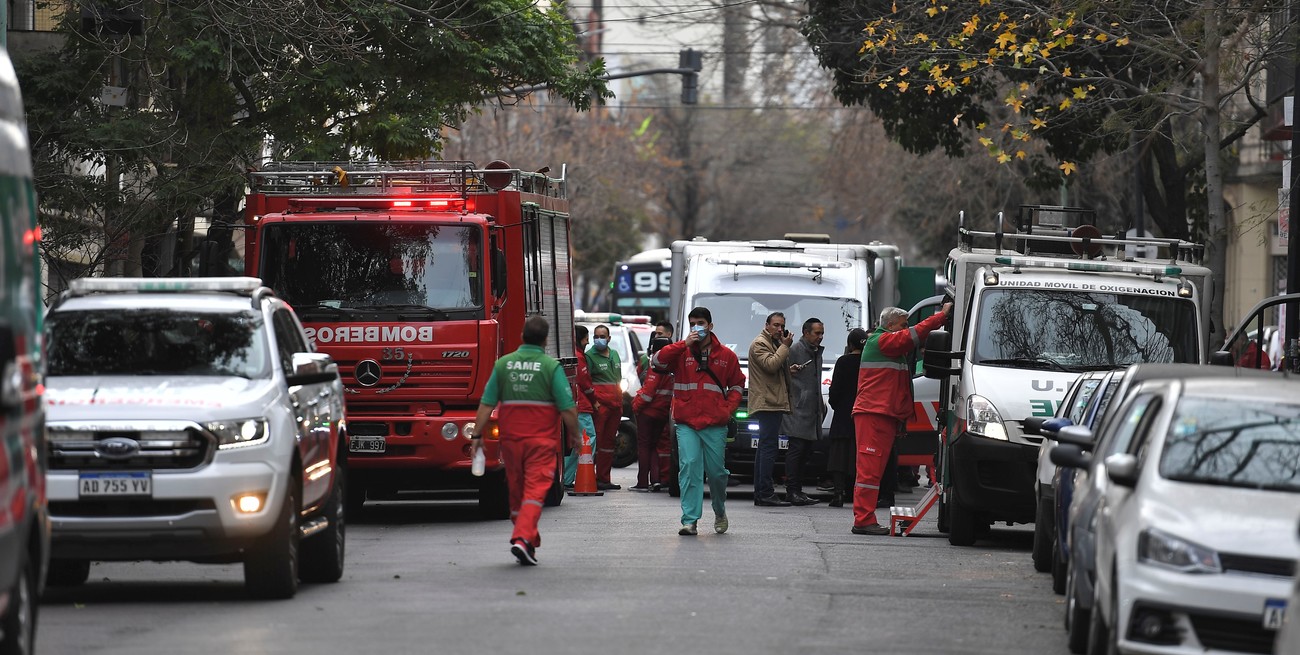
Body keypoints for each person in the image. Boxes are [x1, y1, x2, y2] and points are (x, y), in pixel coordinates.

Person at [469, 316, 581, 565]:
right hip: (541, 442)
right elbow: (567, 407)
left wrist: (476, 435)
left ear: (522, 336)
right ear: (545, 340)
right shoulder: (550, 367)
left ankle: (529, 541)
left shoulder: (503, 364)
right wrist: (575, 435)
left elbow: (487, 403)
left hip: (510, 442)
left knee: (517, 490)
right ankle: (521, 537)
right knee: (534, 491)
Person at [851, 303, 952, 535]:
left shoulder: (886, 345)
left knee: (872, 470)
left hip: (880, 414)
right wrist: (940, 317)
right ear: (889, 325)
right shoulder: (882, 341)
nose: (906, 329)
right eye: (903, 325)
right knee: (869, 471)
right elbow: (914, 335)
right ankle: (863, 520)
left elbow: (899, 388)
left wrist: (901, 420)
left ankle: (864, 518)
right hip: (874, 414)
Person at [651, 306, 744, 536]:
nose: (696, 327)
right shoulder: (681, 352)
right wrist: (683, 344)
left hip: (715, 423)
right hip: (687, 423)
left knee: (716, 473)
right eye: (692, 323)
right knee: (690, 467)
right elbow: (657, 361)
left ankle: (719, 510)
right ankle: (690, 520)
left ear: (710, 326)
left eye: (700, 323)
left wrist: (727, 409)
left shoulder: (726, 356)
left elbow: (737, 385)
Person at [747, 311, 793, 507]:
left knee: (765, 447)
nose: (780, 329)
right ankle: (765, 492)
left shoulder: (772, 343)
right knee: (768, 447)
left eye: (782, 326)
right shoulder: (760, 343)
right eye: (775, 325)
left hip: (771, 400)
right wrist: (785, 346)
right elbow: (771, 365)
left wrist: (789, 369)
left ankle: (761, 492)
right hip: (768, 402)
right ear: (766, 325)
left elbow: (773, 369)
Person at [782, 317, 826, 506]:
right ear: (806, 333)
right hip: (797, 409)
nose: (820, 337)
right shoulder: (794, 350)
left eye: (822, 333)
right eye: (817, 333)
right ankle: (792, 491)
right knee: (796, 450)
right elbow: (780, 373)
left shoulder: (816, 352)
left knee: (805, 452)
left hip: (811, 409)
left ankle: (797, 490)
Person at [826, 327, 867, 508]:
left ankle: (838, 493)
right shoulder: (868, 363)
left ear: (849, 345)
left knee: (839, 456)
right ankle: (854, 493)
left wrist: (837, 404)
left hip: (843, 414)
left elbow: (835, 390)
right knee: (856, 456)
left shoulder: (843, 362)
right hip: (862, 414)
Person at [631, 336, 673, 492]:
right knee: (654, 446)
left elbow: (648, 393)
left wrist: (635, 406)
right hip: (663, 412)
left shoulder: (655, 366)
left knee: (644, 446)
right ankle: (655, 480)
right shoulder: (672, 368)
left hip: (649, 412)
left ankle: (642, 482)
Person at [586, 324, 623, 491]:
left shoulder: (614, 354)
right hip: (601, 405)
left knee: (609, 443)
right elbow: (586, 381)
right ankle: (589, 477)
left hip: (616, 405)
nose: (599, 339)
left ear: (609, 338)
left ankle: (604, 479)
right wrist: (595, 402)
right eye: (596, 336)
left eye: (602, 336)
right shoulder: (590, 356)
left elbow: (618, 378)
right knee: (597, 441)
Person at [563, 325, 600, 489]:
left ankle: (567, 477)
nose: (588, 342)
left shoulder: (571, 355)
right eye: (586, 339)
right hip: (582, 406)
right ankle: (575, 476)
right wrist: (595, 401)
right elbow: (585, 383)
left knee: (574, 443)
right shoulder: (578, 357)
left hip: (572, 405)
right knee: (587, 439)